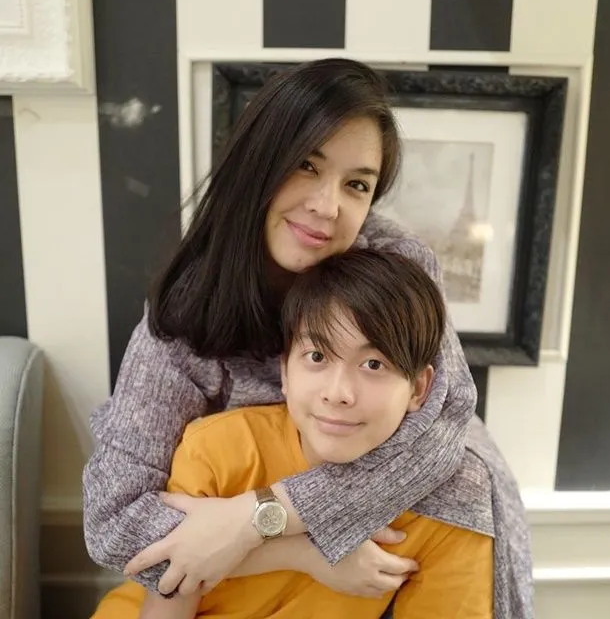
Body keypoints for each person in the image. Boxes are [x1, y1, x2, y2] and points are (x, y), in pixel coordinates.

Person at [82, 58, 532, 618]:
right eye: (305, 165)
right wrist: (301, 551)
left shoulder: (397, 262)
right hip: (237, 585)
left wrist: (257, 517)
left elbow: (439, 432)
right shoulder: (188, 315)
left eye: (357, 184)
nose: (327, 206)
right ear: (257, 165)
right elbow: (114, 524)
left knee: (462, 490)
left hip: (406, 531)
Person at [92, 248, 494, 619]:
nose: (338, 393)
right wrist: (307, 553)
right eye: (317, 356)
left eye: (374, 364)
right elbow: (166, 603)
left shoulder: (451, 502)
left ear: (419, 389)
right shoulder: (218, 451)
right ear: (285, 372)